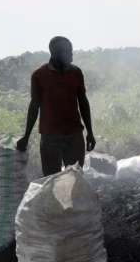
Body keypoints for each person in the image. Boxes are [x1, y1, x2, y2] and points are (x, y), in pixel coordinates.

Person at [16, 36, 96, 176]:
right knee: (51, 179)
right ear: (56, 54)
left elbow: (83, 102)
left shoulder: (76, 72)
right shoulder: (39, 76)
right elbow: (34, 105)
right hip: (50, 138)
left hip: (74, 136)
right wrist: (26, 136)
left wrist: (90, 132)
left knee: (75, 179)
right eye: (68, 51)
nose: (72, 54)